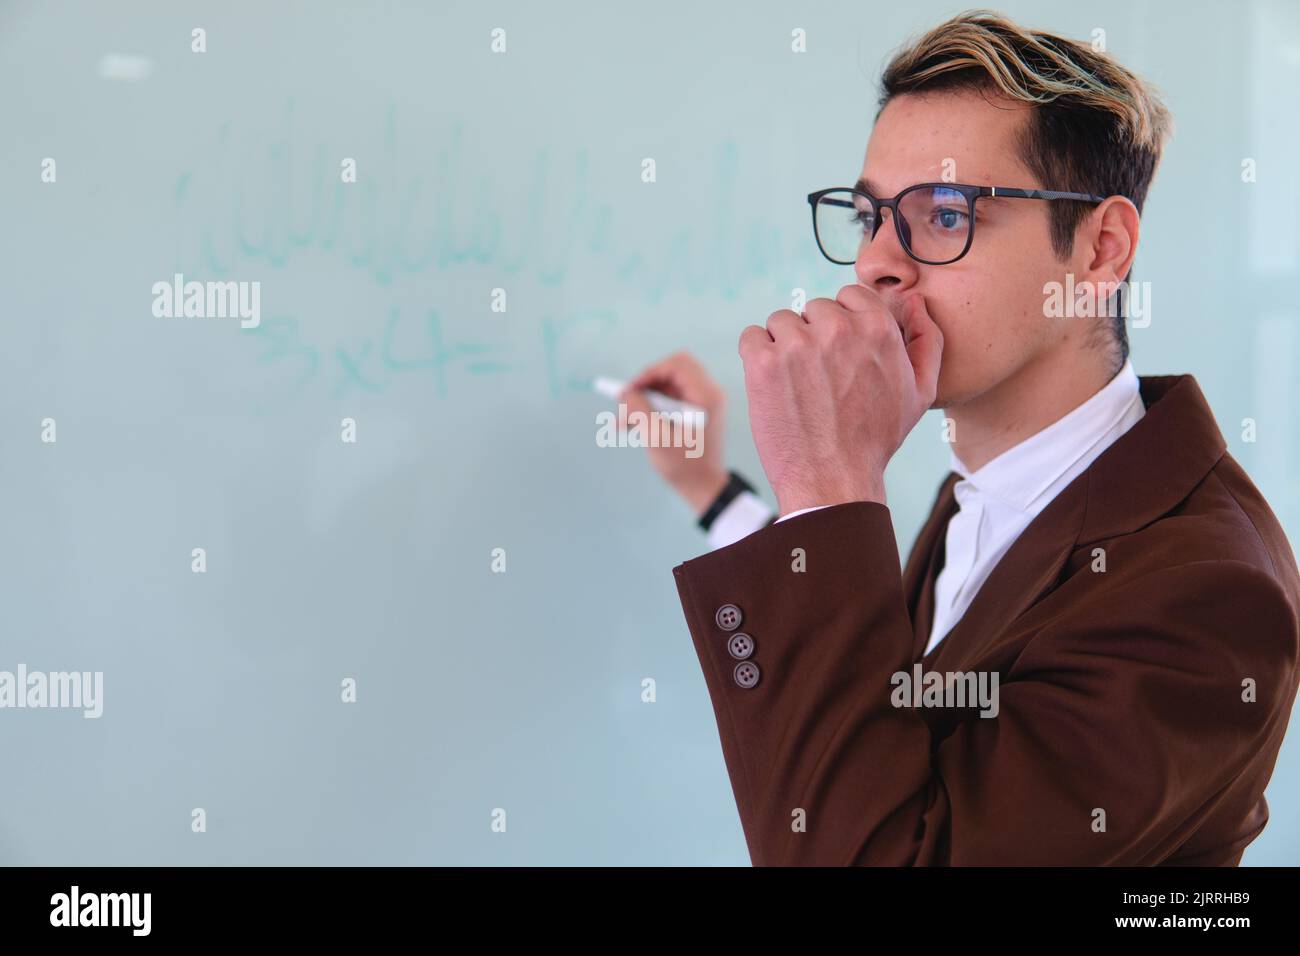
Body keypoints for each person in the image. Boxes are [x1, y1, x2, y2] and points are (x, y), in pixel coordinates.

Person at [619, 10, 1300, 865]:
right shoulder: (996, 482)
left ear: (1101, 251)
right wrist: (713, 489)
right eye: (870, 216)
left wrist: (833, 480)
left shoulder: (1204, 598)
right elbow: (875, 694)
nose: (875, 264)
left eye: (943, 213)